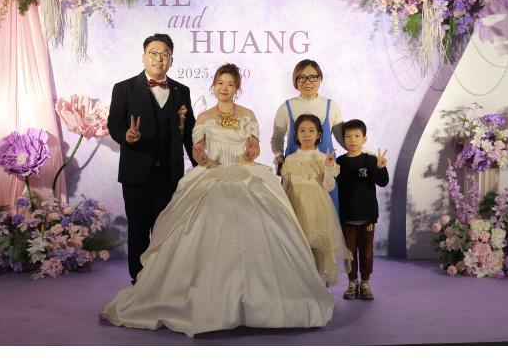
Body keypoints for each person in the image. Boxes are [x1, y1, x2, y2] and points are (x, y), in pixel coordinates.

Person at [101, 64, 334, 337]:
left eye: (230, 84)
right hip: (212, 173)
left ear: (237, 88)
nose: (224, 88)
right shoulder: (203, 117)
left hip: (245, 173)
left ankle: (262, 300)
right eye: (220, 83)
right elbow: (197, 150)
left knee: (261, 225)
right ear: (214, 86)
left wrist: (252, 150)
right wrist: (200, 157)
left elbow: (255, 147)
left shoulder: (248, 115)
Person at [107, 33, 196, 285]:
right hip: (136, 173)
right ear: (144, 57)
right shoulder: (124, 88)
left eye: (165, 54)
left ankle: (161, 281)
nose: (159, 58)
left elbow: (189, 132)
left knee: (165, 230)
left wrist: (201, 166)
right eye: (153, 53)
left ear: (171, 60)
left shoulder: (182, 91)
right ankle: (139, 280)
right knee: (138, 230)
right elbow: (114, 124)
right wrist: (127, 136)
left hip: (170, 174)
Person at [280, 114, 350, 285]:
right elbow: (285, 187)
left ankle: (320, 283)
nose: (307, 134)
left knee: (318, 246)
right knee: (299, 247)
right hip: (296, 206)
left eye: (311, 130)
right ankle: (302, 285)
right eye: (302, 130)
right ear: (296, 134)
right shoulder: (290, 159)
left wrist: (328, 168)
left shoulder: (322, 158)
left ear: (318, 134)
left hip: (318, 208)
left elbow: (328, 186)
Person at [271, 59, 344, 210]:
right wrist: (279, 156)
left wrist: (364, 154)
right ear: (295, 81)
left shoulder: (331, 106)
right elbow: (277, 138)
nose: (307, 82)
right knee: (294, 213)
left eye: (313, 77)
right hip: (296, 174)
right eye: (302, 77)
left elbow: (343, 139)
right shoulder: (286, 107)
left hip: (324, 171)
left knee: (327, 213)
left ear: (320, 78)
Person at [335, 119, 389, 300]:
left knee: (366, 253)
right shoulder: (340, 161)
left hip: (367, 216)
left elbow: (382, 182)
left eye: (357, 136)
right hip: (347, 216)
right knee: (349, 253)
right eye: (348, 136)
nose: (353, 140)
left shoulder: (371, 160)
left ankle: (365, 282)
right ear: (343, 139)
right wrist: (328, 168)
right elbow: (330, 184)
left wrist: (380, 168)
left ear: (364, 139)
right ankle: (352, 283)